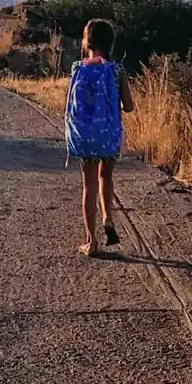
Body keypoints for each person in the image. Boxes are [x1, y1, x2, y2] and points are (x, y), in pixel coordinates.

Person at [65, 18, 134, 257]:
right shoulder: (117, 70)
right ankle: (108, 218)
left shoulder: (77, 68)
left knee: (89, 185)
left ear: (86, 42)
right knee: (106, 176)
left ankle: (91, 241)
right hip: (109, 134)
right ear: (110, 42)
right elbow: (129, 106)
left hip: (85, 136)